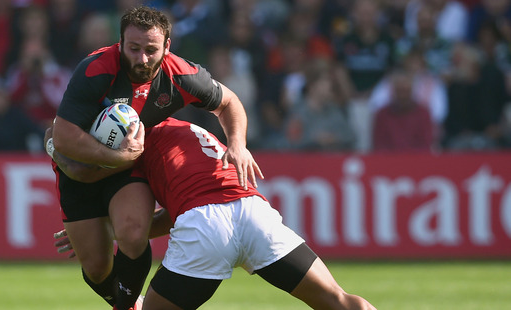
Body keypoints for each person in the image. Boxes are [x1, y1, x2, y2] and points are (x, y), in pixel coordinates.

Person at [49, 6, 261, 310]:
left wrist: (238, 144)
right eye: (133, 49)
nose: (142, 58)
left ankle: (127, 306)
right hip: (80, 166)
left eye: (151, 50)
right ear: (121, 43)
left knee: (133, 233)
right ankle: (130, 302)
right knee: (96, 267)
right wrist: (113, 155)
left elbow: (228, 102)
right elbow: (63, 135)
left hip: (128, 168)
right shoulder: (96, 69)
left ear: (167, 47)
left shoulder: (181, 73)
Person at [53, 118, 377, 310]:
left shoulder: (138, 148)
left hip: (206, 227)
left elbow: (142, 222)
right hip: (254, 213)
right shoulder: (184, 130)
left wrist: (100, 231)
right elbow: (183, 206)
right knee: (338, 301)